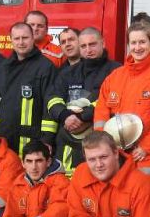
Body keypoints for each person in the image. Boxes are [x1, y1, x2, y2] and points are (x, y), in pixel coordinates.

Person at [94, 21, 150, 186]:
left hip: (147, 157)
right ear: (128, 45)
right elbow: (101, 112)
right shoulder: (115, 76)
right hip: (117, 156)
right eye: (133, 42)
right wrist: (105, 146)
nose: (138, 47)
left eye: (142, 42)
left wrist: (146, 147)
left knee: (148, 205)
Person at [46, 27, 121, 177]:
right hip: (68, 141)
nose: (88, 49)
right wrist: (64, 115)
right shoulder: (68, 73)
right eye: (83, 46)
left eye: (92, 44)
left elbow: (111, 101)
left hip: (102, 143)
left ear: (103, 43)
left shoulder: (117, 71)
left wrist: (81, 117)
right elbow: (52, 98)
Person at [0, 22, 57, 157]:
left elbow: (50, 106)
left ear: (32, 39)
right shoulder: (3, 68)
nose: (21, 42)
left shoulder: (45, 67)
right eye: (17, 38)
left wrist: (47, 139)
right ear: (11, 40)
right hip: (5, 140)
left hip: (34, 141)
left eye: (25, 38)